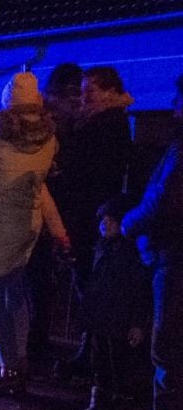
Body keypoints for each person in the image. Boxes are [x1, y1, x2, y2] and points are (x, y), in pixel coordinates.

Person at [0, 72, 69, 396]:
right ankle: (18, 362)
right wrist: (59, 231)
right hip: (28, 227)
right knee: (14, 296)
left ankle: (8, 368)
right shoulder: (50, 139)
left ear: (7, 101)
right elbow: (40, 188)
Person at [115, 73, 183, 410]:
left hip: (175, 255)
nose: (174, 106)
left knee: (168, 345)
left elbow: (167, 198)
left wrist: (130, 222)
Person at [57, 66, 135, 373]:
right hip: (88, 215)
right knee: (86, 284)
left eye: (91, 90)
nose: (84, 97)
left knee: (90, 286)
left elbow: (93, 175)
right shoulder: (99, 123)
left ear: (111, 92)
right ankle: (89, 355)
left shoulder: (108, 125)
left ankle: (91, 359)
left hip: (90, 217)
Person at [71, 196, 151, 410]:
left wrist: (137, 323)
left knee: (119, 364)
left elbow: (140, 290)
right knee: (100, 362)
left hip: (119, 322)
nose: (106, 224)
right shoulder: (101, 250)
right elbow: (93, 286)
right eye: (103, 220)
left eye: (112, 220)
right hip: (101, 320)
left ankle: (119, 409)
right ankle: (99, 405)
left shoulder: (131, 254)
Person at [28, 63, 84, 364]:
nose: (77, 100)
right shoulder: (51, 128)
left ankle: (32, 342)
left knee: (38, 280)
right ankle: (31, 343)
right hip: (43, 210)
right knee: (36, 280)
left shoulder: (65, 126)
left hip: (50, 211)